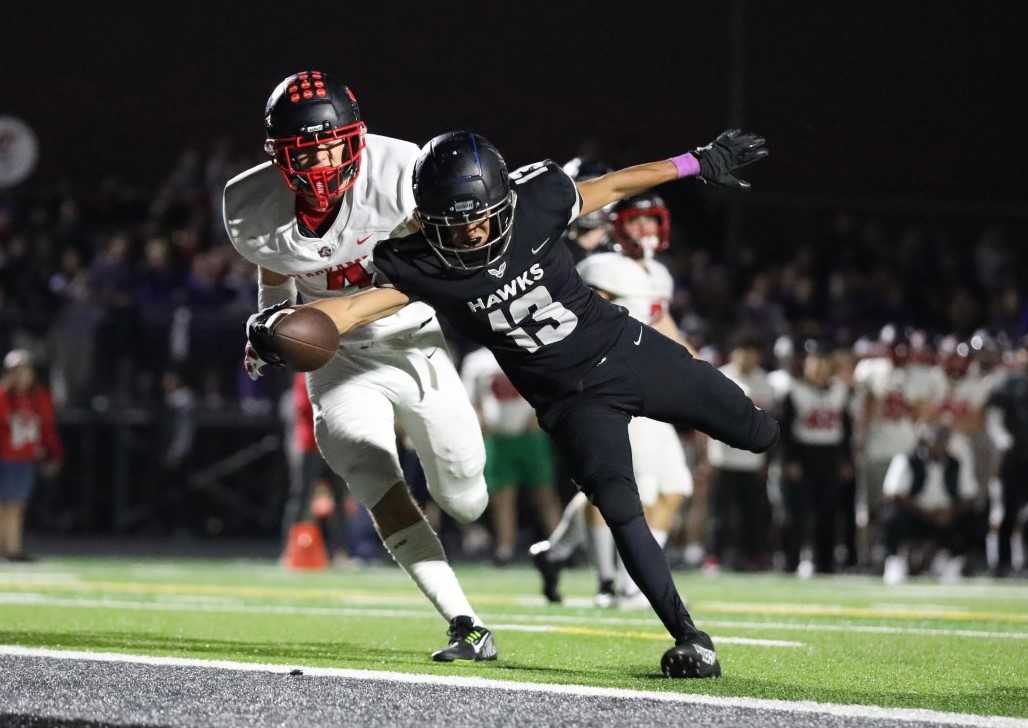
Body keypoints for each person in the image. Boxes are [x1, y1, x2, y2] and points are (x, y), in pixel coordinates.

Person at [246, 128, 777, 678]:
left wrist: (697, 162)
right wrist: (278, 325)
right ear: (428, 222)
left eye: (483, 215)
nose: (475, 230)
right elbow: (354, 309)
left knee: (759, 434)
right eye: (458, 222)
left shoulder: (539, 197)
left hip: (627, 352)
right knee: (621, 510)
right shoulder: (420, 262)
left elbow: (616, 184)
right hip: (571, 401)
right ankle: (690, 637)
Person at [223, 71, 494, 662]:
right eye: (305, 150)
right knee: (371, 473)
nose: (321, 160)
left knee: (466, 496)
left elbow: (448, 266)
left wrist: (350, 310)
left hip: (412, 340)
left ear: (356, 137)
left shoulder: (406, 172)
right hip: (338, 361)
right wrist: (271, 328)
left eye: (330, 143)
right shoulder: (250, 204)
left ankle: (463, 509)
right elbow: (277, 277)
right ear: (278, 155)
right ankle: (464, 621)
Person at [530, 192, 695, 609]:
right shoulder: (602, 267)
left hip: (653, 389)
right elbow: (580, 324)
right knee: (623, 490)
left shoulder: (658, 273)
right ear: (619, 225)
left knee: (675, 487)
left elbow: (663, 323)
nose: (646, 230)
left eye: (651, 221)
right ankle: (616, 583)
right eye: (637, 221)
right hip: (617, 387)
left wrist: (700, 370)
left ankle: (621, 578)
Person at [460, 347, 562, 565]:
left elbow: (545, 386)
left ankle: (560, 547)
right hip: (497, 438)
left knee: (545, 493)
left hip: (530, 434)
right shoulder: (476, 360)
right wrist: (481, 421)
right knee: (502, 496)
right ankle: (505, 549)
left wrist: (539, 415)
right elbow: (467, 400)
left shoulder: (525, 348)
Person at [780, 340, 853, 577]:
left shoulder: (841, 390)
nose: (820, 367)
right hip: (803, 455)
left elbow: (846, 429)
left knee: (828, 512)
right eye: (815, 362)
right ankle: (791, 561)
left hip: (830, 455)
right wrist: (789, 460)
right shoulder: (794, 391)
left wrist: (845, 459)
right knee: (797, 513)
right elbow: (786, 429)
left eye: (823, 362)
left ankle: (826, 563)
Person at [703, 332, 774, 573]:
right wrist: (705, 456)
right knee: (719, 514)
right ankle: (714, 555)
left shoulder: (766, 382)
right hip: (723, 457)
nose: (748, 357)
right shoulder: (720, 376)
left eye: (753, 352)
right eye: (744, 351)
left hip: (753, 459)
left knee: (752, 514)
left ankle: (752, 556)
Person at [881, 423, 978, 584]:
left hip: (946, 516)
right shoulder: (906, 459)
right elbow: (892, 494)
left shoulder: (956, 464)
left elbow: (969, 495)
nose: (939, 444)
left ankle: (951, 563)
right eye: (936, 439)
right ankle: (894, 562)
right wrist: (925, 512)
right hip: (916, 515)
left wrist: (950, 511)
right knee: (892, 515)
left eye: (944, 439)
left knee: (972, 516)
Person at [0, 350, 63, 561]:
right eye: (16, 371)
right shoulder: (3, 396)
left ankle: (11, 547)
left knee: (16, 504)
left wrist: (53, 454)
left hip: (23, 458)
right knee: (6, 504)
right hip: (4, 456)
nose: (21, 376)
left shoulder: (39, 398)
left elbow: (47, 428)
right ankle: (10, 547)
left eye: (25, 371)